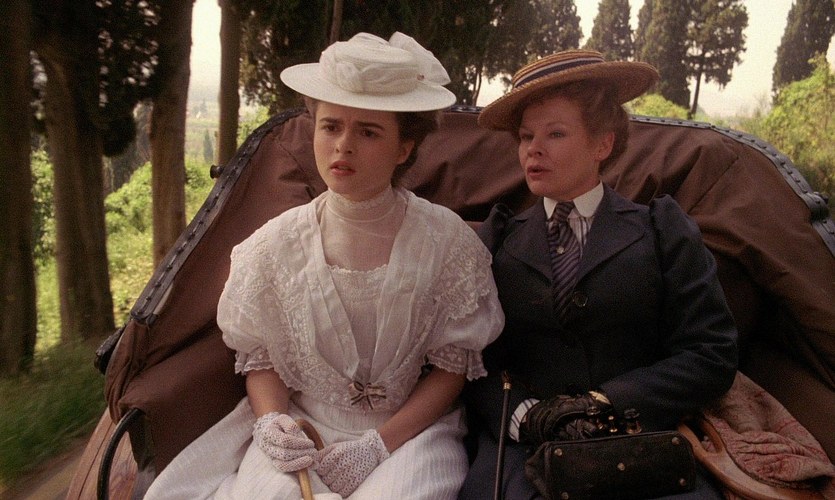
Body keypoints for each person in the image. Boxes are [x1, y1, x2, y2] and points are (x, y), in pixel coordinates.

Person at [144, 32, 503, 499]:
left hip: (408, 434)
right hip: (301, 424)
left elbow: (451, 369)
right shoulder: (272, 247)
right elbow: (262, 359)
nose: (343, 146)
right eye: (331, 126)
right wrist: (272, 422)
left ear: (404, 148)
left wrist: (377, 446)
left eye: (368, 132)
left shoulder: (447, 243)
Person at [458, 50, 739, 499]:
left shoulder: (660, 230)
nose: (533, 149)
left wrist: (607, 403)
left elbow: (711, 352)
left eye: (555, 133)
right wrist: (524, 417)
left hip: (638, 446)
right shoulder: (500, 237)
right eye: (526, 136)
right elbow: (470, 359)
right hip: (525, 452)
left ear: (602, 144)